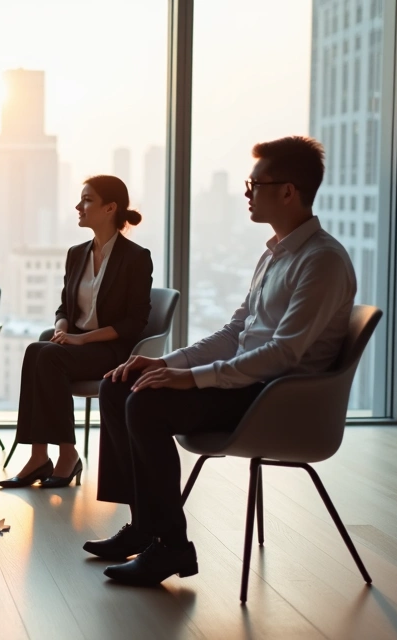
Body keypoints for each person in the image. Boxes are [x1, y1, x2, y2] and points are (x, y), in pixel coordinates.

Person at [85, 136, 356, 587]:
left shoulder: (321, 261)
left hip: (277, 398)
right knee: (119, 385)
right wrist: (162, 363)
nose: (246, 192)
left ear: (288, 191)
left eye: (255, 183)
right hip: (249, 384)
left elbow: (284, 353)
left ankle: (171, 546)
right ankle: (145, 526)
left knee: (146, 406)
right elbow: (236, 332)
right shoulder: (276, 253)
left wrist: (189, 379)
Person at [0, 176, 152, 489]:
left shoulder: (135, 258)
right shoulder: (76, 253)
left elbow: (134, 324)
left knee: (49, 355)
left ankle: (66, 455)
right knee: (39, 347)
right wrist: (62, 328)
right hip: (76, 346)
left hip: (112, 350)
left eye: (87, 200)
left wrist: (80, 339)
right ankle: (39, 455)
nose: (78, 206)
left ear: (109, 208)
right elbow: (64, 309)